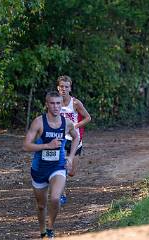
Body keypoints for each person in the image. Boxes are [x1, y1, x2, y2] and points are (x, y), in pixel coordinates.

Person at [23, 91, 80, 239]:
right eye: (52, 103)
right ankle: (42, 232)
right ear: (47, 104)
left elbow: (76, 137)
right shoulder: (39, 122)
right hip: (39, 169)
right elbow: (26, 146)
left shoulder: (66, 123)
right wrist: (47, 146)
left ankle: (50, 228)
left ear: (62, 104)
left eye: (58, 103)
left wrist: (71, 157)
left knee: (55, 198)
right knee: (41, 206)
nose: (56, 107)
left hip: (58, 166)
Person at [57, 75, 91, 205]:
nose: (64, 89)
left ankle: (63, 175)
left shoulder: (75, 103)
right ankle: (61, 194)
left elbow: (88, 118)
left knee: (71, 172)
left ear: (70, 88)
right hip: (60, 138)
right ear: (58, 88)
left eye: (66, 87)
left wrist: (74, 126)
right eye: (61, 87)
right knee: (60, 167)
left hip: (74, 138)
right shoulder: (55, 102)